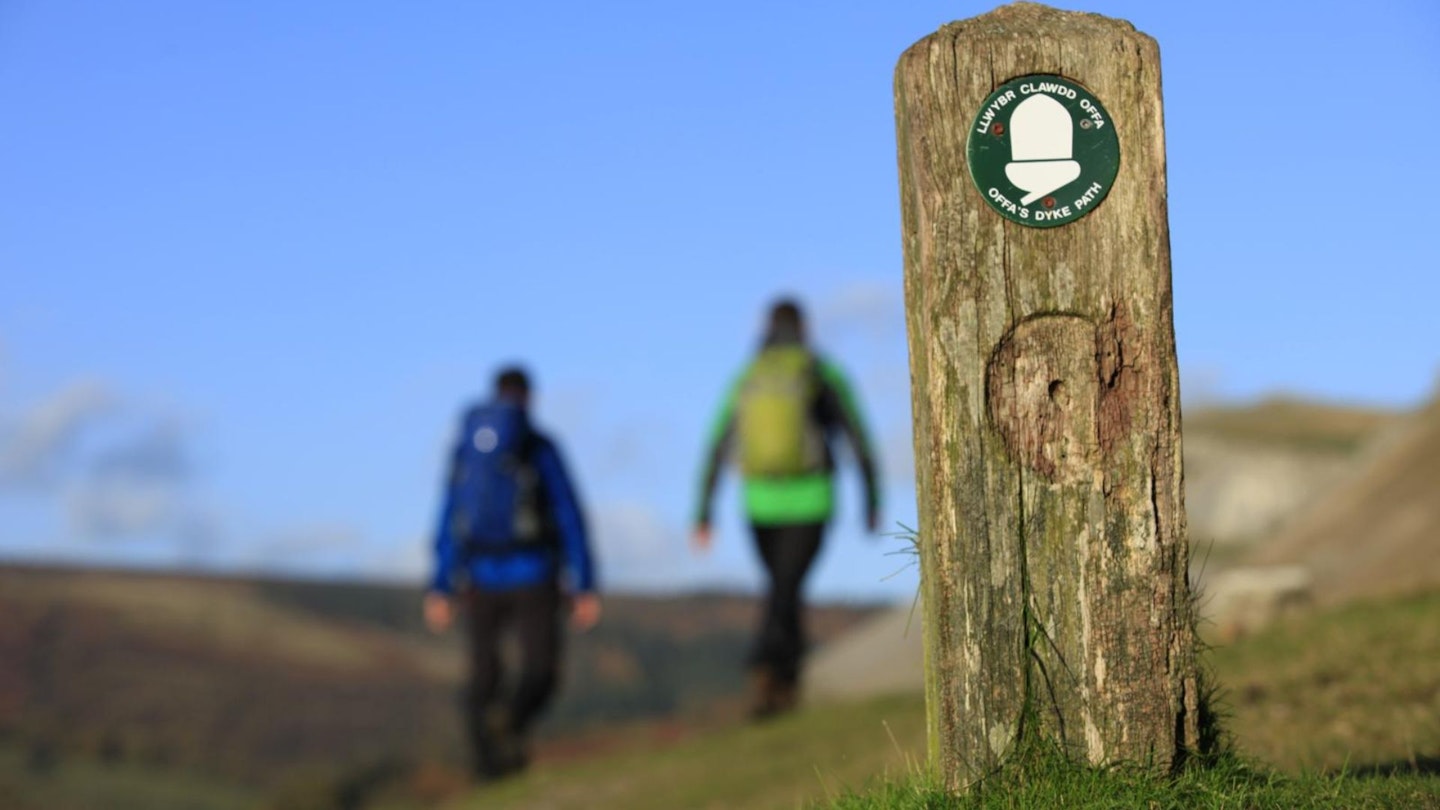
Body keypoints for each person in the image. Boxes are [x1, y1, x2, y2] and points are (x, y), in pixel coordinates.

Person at [692, 298, 881, 719]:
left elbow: (718, 442)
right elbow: (856, 434)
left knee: (782, 587)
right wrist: (872, 498)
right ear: (804, 327)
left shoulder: (748, 376)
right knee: (785, 588)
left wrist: (704, 511)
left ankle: (782, 683)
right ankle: (768, 669)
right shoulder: (820, 371)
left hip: (758, 501)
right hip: (811, 499)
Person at [423, 366, 601, 780]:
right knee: (540, 670)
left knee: (483, 678)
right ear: (529, 398)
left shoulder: (467, 449)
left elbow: (450, 517)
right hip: (534, 572)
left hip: (479, 578)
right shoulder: (540, 447)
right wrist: (585, 581)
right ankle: (509, 731)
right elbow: (569, 513)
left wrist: (441, 584)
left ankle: (489, 766)